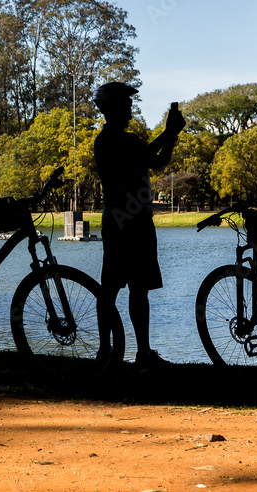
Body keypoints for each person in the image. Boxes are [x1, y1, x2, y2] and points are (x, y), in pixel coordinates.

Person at [93, 82, 185, 369]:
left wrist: (168, 134)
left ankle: (105, 350)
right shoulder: (125, 141)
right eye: (126, 104)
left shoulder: (105, 140)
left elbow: (144, 152)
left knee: (110, 287)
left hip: (114, 219)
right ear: (113, 108)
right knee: (136, 290)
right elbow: (157, 161)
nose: (130, 108)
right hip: (135, 222)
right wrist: (171, 135)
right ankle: (142, 352)